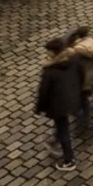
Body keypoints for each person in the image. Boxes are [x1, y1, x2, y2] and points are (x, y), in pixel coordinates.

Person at [36, 36, 80, 172]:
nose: (47, 54)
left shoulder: (50, 71)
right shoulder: (72, 59)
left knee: (63, 131)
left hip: (58, 105)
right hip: (71, 98)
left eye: (48, 51)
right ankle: (54, 141)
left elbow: (44, 92)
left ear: (54, 52)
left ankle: (69, 160)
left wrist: (39, 108)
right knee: (61, 125)